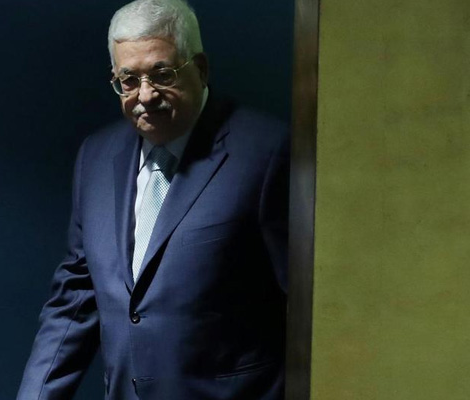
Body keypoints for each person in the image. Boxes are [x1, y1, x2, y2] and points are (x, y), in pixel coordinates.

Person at [17, 0, 289, 399]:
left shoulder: (268, 152)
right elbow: (75, 299)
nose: (145, 95)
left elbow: (306, 309)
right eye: (128, 80)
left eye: (162, 75)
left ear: (201, 68)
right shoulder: (96, 157)